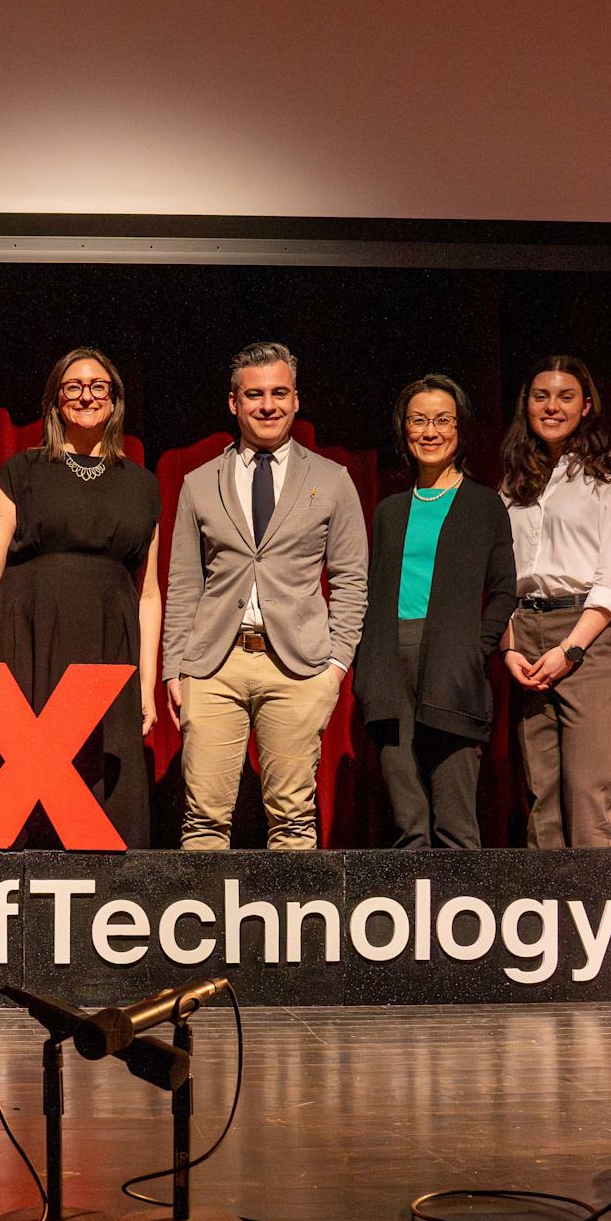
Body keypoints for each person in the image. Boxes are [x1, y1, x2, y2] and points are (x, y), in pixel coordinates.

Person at [161, 342, 367, 850]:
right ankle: (200, 926)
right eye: (255, 395)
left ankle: (295, 929)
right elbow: (184, 583)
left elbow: (351, 579)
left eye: (279, 393)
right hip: (214, 666)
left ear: (296, 400)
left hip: (298, 667)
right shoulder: (199, 482)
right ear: (234, 403)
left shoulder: (332, 479)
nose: (267, 405)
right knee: (203, 821)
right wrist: (174, 668)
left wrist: (335, 667)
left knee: (293, 822)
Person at [0, 347, 161, 846]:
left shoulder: (142, 486)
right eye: (73, 387)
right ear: (55, 402)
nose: (86, 396)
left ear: (115, 401)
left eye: (98, 386)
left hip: (109, 653)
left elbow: (149, 596)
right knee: (22, 798)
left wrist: (146, 686)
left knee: (103, 803)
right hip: (30, 646)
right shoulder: (21, 472)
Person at [353, 375, 517, 848]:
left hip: (452, 665)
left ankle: (464, 920)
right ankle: (413, 919)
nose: (430, 431)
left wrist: (474, 648)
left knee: (455, 823)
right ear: (404, 430)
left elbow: (504, 591)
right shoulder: (389, 510)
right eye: (418, 420)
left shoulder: (484, 505)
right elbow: (370, 592)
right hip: (388, 666)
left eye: (442, 420)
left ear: (460, 429)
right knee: (409, 824)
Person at [497, 355, 611, 848]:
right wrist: (509, 647)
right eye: (541, 396)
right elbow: (503, 574)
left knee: (587, 786)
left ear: (586, 405)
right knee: (541, 788)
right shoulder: (515, 478)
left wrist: (572, 649)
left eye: (565, 397)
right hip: (526, 630)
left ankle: (597, 915)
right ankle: (547, 913)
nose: (552, 407)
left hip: (589, 633)